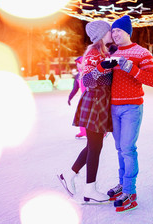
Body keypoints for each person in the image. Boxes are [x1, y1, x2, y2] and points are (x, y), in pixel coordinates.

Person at [57, 20, 118, 203]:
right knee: (95, 147)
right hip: (95, 103)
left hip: (100, 102)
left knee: (94, 146)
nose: (112, 33)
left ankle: (69, 174)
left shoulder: (102, 52)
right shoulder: (93, 54)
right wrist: (102, 67)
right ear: (101, 34)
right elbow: (88, 81)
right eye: (109, 31)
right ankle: (89, 188)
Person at [108, 15, 153, 212]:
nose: (115, 34)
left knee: (128, 148)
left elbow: (152, 80)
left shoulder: (142, 53)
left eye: (118, 30)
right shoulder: (111, 52)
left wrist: (131, 67)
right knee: (120, 148)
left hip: (131, 108)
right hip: (113, 108)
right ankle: (122, 184)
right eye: (113, 31)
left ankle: (130, 191)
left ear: (127, 31)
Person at [68, 56, 87, 139]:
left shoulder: (89, 72)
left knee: (94, 116)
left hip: (93, 97)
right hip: (83, 98)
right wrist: (70, 97)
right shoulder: (78, 76)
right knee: (82, 115)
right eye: (77, 64)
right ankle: (83, 132)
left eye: (80, 63)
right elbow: (75, 88)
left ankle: (101, 132)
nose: (78, 66)